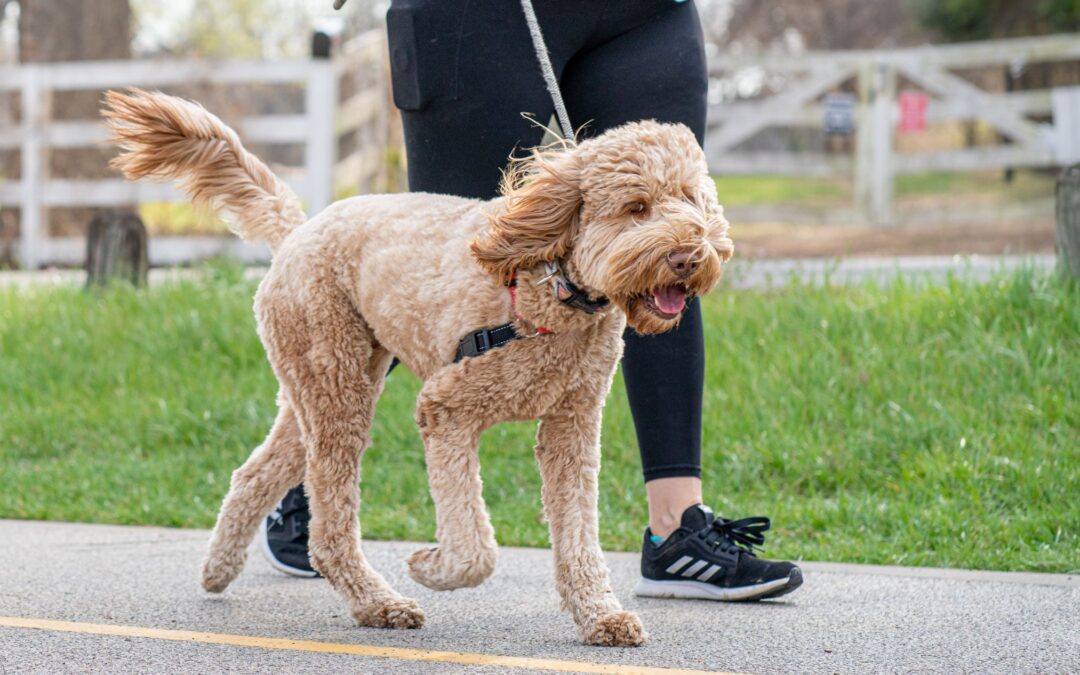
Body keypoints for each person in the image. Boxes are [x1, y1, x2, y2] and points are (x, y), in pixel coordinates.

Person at [262, 0, 802, 601]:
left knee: (664, 248)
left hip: (644, 13)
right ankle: (313, 489)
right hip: (479, 16)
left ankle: (675, 530)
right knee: (456, 267)